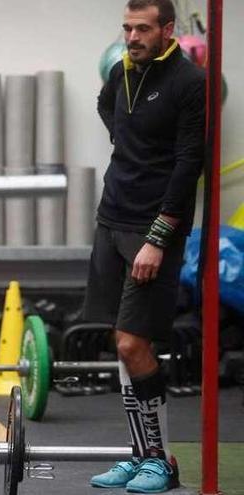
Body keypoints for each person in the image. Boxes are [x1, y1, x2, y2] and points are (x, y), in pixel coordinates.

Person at [87, 0, 204, 492]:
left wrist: (158, 238)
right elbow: (104, 106)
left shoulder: (189, 83)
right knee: (120, 342)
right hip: (111, 219)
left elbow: (188, 164)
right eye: (127, 27)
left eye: (142, 28)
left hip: (151, 229)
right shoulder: (120, 73)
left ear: (167, 30)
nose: (132, 37)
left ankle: (161, 459)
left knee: (135, 343)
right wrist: (128, 147)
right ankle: (138, 456)